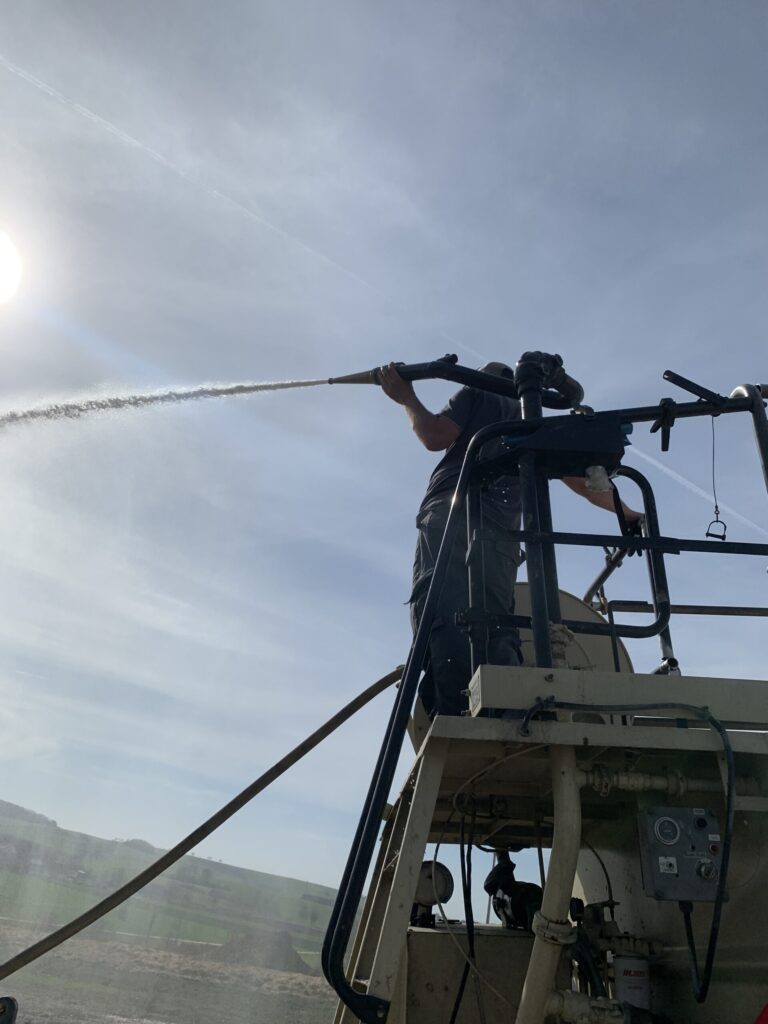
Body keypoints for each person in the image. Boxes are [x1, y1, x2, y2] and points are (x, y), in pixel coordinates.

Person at [380, 361, 641, 718]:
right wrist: (628, 514)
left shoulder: (476, 392)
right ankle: (505, 710)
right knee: (495, 618)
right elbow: (583, 484)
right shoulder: (537, 420)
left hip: (452, 516)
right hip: (501, 534)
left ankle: (456, 713)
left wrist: (405, 396)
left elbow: (434, 436)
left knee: (441, 613)